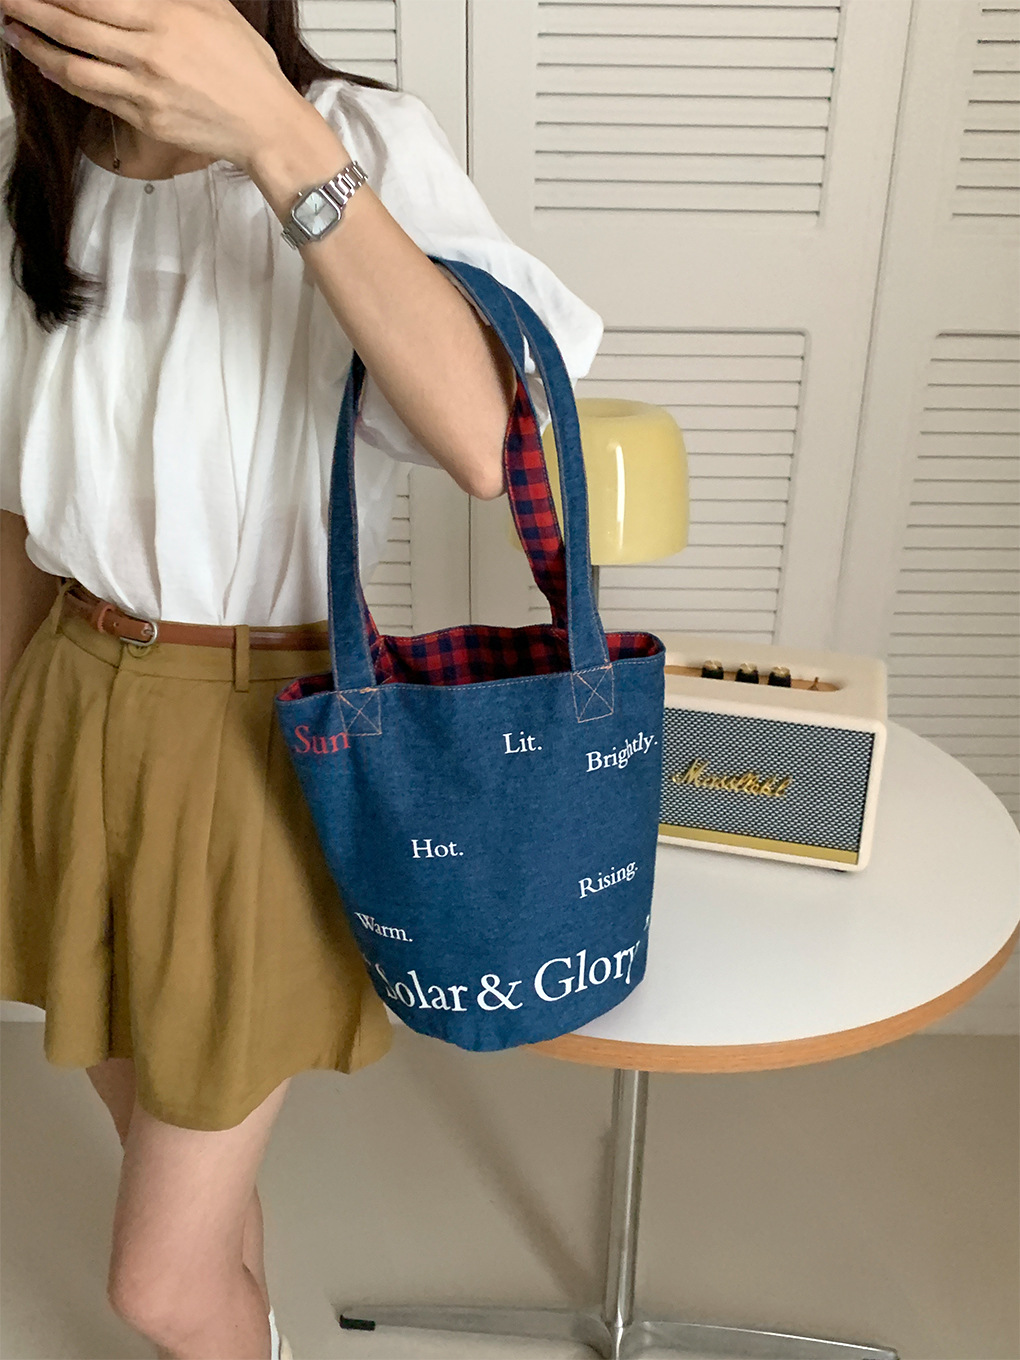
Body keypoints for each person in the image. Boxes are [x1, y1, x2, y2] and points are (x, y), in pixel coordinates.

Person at [0, 1, 604, 1357]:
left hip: (255, 739)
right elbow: (16, 509)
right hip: (66, 704)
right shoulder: (32, 174)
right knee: (175, 1180)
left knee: (154, 1282)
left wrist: (274, 134)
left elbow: (485, 438)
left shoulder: (356, 137)